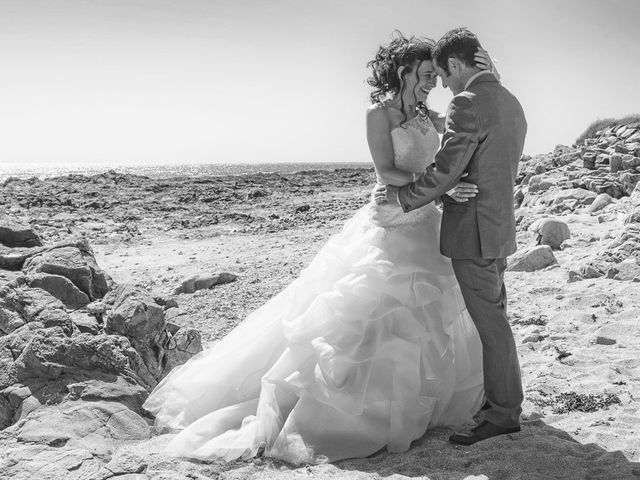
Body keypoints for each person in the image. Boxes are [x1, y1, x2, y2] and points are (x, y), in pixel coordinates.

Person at [143, 32, 496, 464]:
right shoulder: (378, 114)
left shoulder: (435, 117)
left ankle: (407, 405)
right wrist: (443, 186)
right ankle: (348, 412)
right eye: (425, 75)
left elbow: (450, 158)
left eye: (435, 76)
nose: (432, 83)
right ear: (403, 72)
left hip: (425, 222)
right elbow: (386, 170)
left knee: (422, 318)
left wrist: (449, 179)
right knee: (368, 312)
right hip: (391, 221)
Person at [374, 27, 527, 445]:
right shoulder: (510, 102)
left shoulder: (467, 103)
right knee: (496, 317)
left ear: (457, 66)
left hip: (473, 234)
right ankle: (500, 403)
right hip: (498, 231)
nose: (441, 84)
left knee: (492, 324)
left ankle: (503, 412)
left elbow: (446, 169)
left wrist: (404, 199)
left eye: (443, 74)